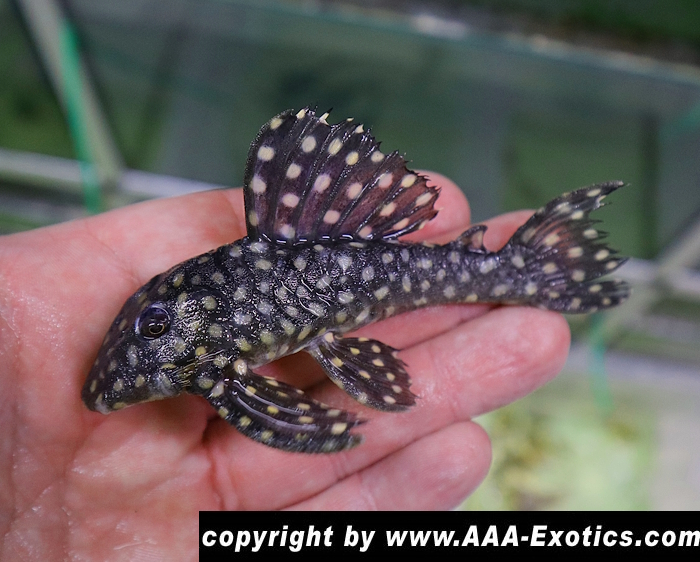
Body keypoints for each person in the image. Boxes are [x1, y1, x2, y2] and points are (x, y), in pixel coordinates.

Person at [0, 173, 569, 557]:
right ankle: (531, 270)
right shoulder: (201, 363)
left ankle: (529, 271)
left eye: (154, 329)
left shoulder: (210, 364)